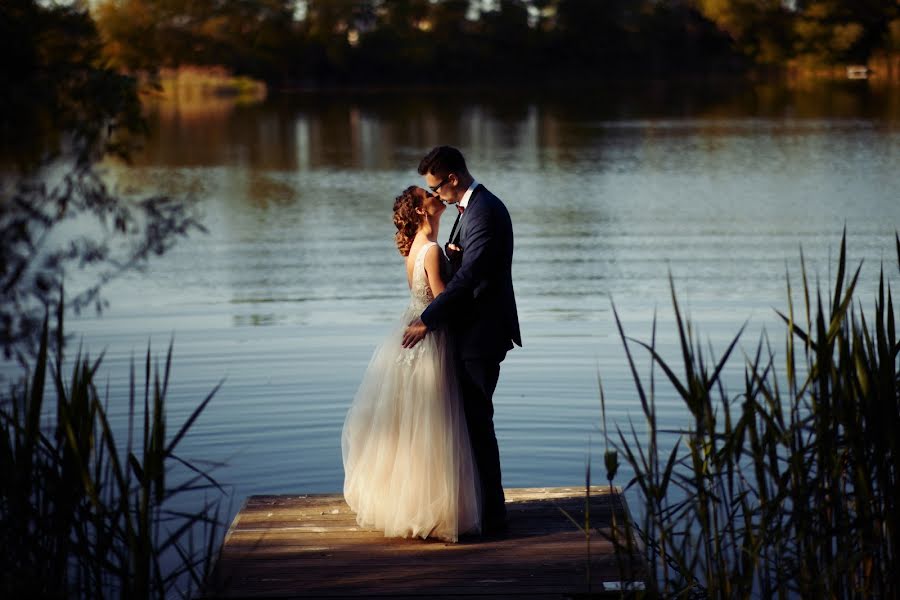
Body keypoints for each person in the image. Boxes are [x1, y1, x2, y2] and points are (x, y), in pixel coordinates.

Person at [342, 186, 481, 542]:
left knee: (412, 427)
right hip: (429, 338)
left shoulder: (419, 250)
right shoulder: (431, 251)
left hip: (408, 336)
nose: (437, 196)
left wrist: (452, 261)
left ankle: (409, 503)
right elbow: (443, 302)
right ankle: (435, 509)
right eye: (429, 195)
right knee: (434, 425)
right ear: (421, 211)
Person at [402, 146, 521, 535]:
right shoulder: (468, 211)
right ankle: (481, 508)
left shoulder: (485, 211)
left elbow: (470, 277)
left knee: (478, 425)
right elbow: (465, 268)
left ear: (453, 178)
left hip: (482, 336)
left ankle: (493, 515)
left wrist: (428, 319)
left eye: (437, 187)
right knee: (472, 423)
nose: (436, 195)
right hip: (469, 333)